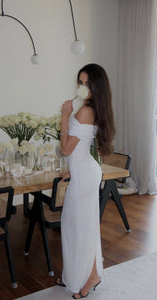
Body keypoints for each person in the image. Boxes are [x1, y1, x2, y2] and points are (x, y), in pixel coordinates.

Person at [55, 63, 116, 299]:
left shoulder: (84, 111)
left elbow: (67, 149)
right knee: (76, 225)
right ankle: (74, 275)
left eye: (86, 83)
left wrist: (63, 116)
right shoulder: (90, 108)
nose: (82, 87)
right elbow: (80, 147)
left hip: (85, 175)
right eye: (79, 82)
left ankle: (91, 276)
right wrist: (71, 171)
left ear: (96, 86)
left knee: (79, 226)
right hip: (83, 172)